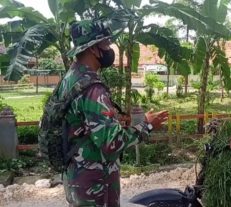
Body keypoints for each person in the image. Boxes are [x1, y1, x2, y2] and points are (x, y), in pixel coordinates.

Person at [60, 19, 168, 207]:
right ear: (93, 48)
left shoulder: (71, 78)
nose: (110, 48)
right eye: (106, 43)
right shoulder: (92, 88)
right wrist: (148, 125)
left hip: (77, 177)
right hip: (95, 185)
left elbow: (85, 128)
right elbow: (110, 143)